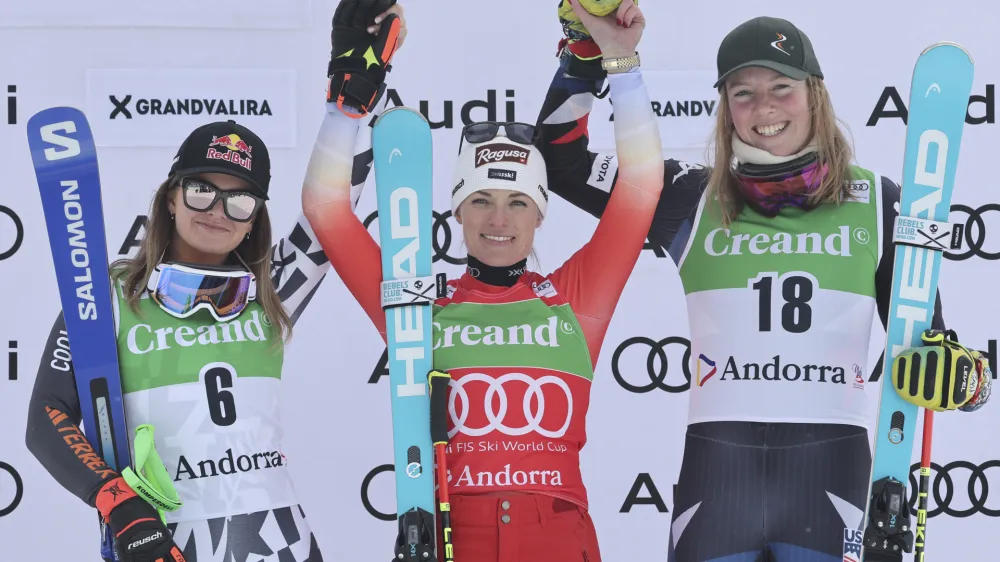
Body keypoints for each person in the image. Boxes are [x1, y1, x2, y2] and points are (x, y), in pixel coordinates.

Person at [536, 13, 992, 562]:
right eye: (743, 92)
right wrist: (590, 51)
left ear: (814, 95)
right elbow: (560, 162)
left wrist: (965, 378)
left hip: (830, 478)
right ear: (726, 106)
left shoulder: (878, 201)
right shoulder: (688, 196)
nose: (764, 107)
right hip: (717, 479)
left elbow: (937, 354)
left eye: (782, 87)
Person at [302, 1, 661, 560]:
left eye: (518, 202)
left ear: (541, 213)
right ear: (458, 213)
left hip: (557, 537)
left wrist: (623, 65)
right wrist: (347, 103)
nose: (499, 220)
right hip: (451, 533)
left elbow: (641, 188)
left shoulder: (571, 301)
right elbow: (326, 208)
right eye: (482, 201)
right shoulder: (417, 306)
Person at [25, 116, 342, 562]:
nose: (217, 210)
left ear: (254, 219)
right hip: (161, 542)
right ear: (171, 197)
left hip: (281, 541)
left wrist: (344, 111)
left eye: (240, 200)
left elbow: (328, 207)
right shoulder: (111, 296)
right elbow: (47, 415)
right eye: (200, 190)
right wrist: (116, 501)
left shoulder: (271, 292)